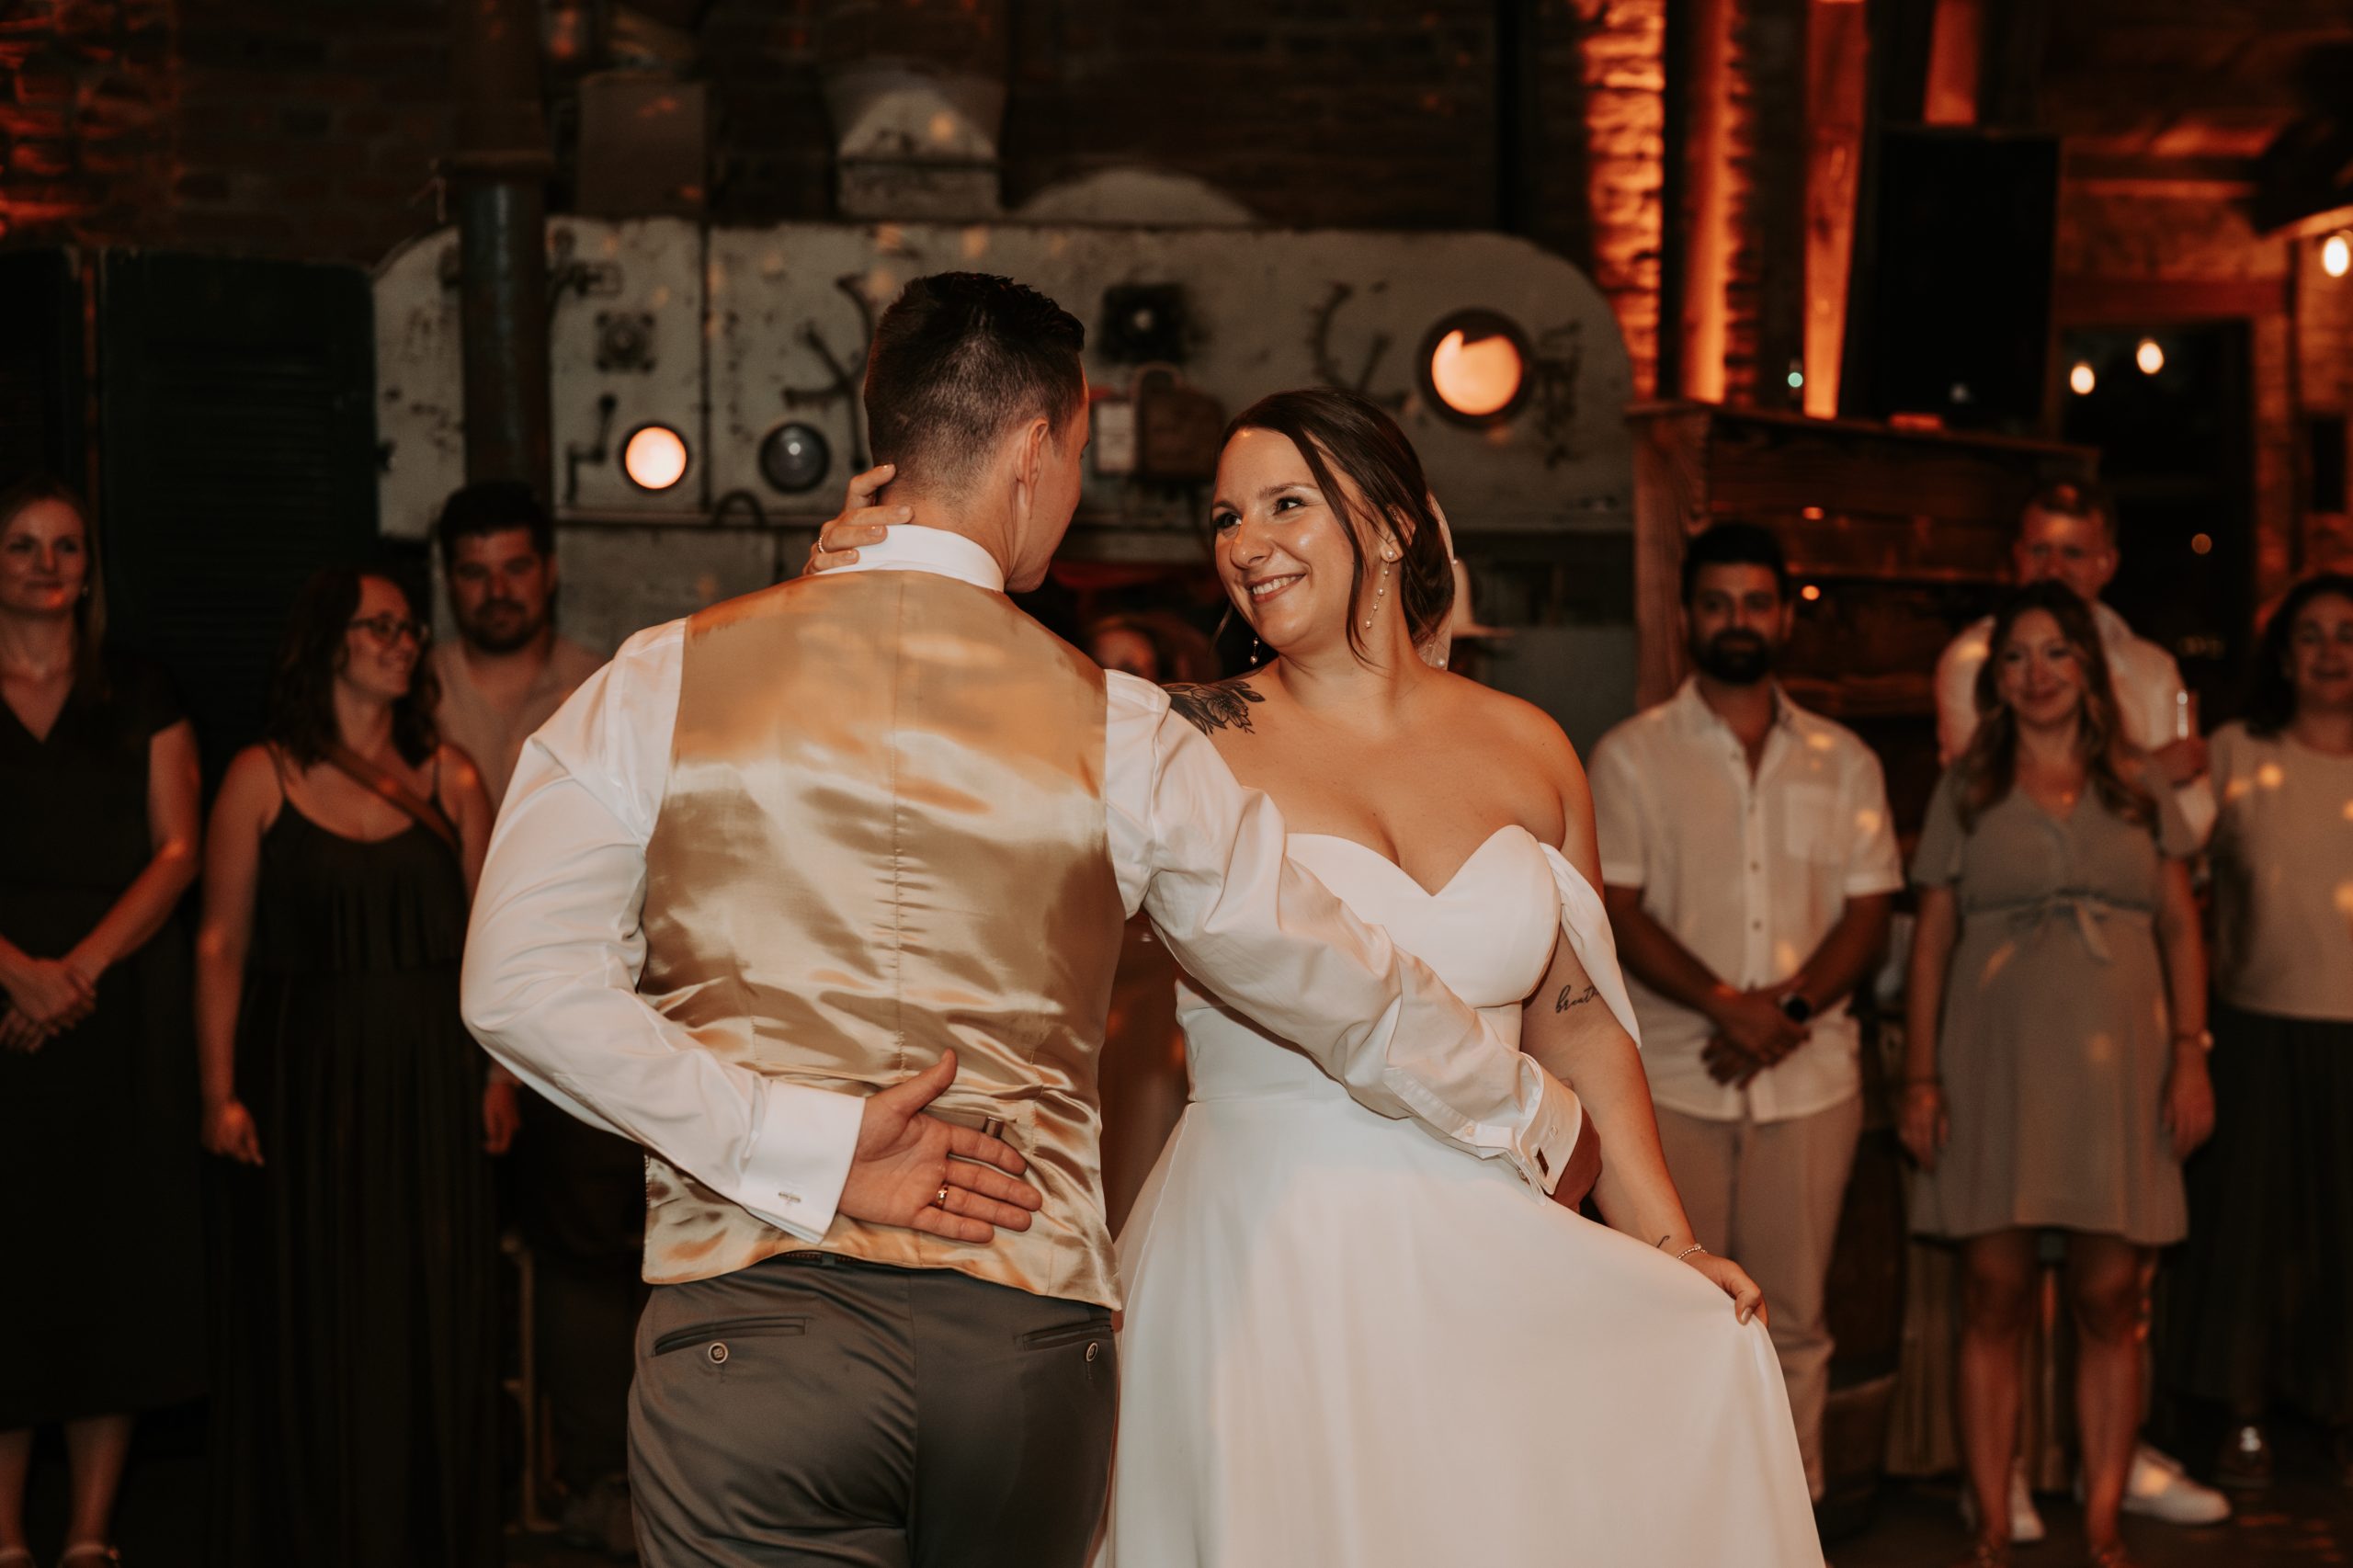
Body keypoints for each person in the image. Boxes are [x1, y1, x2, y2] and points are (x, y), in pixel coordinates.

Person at [462, 273, 1597, 1568]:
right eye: (1078, 456)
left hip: (754, 1337)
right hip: (1018, 1349)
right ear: (1034, 447)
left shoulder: (662, 680)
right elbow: (1331, 973)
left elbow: (516, 983)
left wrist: (793, 1141)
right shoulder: (1122, 729)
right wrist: (1530, 1114)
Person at [1087, 390, 1817, 1564]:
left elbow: (1577, 1022)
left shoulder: (1529, 744)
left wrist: (1668, 1245)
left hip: (1494, 1240)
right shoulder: (1183, 739)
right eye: (1225, 517)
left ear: (1388, 525)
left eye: (1285, 504)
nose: (1246, 544)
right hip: (1272, 1246)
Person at [1931, 481, 2226, 1536]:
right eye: (2016, 657)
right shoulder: (1967, 781)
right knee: (1993, 1289)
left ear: (2089, 665)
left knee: (2111, 1295)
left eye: (2057, 653)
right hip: (1998, 1054)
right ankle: (1990, 1513)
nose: (2036, 671)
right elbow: (1932, 929)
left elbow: (2182, 920)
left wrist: (2190, 1051)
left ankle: (2102, 1524)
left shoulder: (2138, 778)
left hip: (2122, 1059)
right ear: (1993, 676)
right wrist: (1919, 1074)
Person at [1586, 520, 1901, 1506]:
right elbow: (1618, 907)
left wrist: (1783, 1012)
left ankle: (1792, 1522)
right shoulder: (1631, 755)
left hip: (1810, 1079)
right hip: (1674, 1080)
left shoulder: (1844, 760)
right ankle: (1684, 1522)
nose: (1737, 620)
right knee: (1677, 1312)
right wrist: (1726, 1007)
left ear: (1783, 618)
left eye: (1755, 602)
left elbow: (1869, 909)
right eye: (1716, 602)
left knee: (1796, 1318)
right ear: (1686, 616)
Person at [197, 566, 504, 1568]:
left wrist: (500, 1078)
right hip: (305, 1076)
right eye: (380, 626)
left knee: (428, 1300)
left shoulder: (453, 775)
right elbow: (221, 942)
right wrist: (218, 1091)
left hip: (430, 1074)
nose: (403, 642)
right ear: (328, 640)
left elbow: (497, 946)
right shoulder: (261, 775)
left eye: (410, 627)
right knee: (311, 1301)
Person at [428, 479, 637, 1554]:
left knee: (587, 1241)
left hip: (573, 1012)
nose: (496, 589)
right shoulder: (411, 688)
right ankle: (451, 1469)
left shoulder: (604, 684)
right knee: (432, 1249)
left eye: (515, 566)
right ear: (448, 581)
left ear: (549, 571)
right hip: (429, 1021)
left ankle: (599, 1475)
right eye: (474, 571)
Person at [0, 480, 204, 1568]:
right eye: (23, 544)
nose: (46, 563)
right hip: (2, 1000)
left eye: (66, 545)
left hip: (118, 1000)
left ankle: (88, 1531)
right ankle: (1, 1535)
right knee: (9, 1258)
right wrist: (15, 974)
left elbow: (179, 849)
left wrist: (70, 974)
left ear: (89, 567)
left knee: (107, 1262)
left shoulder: (140, 687)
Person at [2162, 572, 2353, 1488]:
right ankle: (2241, 1414)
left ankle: (2342, 1414)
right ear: (2283, 656)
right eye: (2310, 634)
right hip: (2256, 1028)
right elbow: (2169, 865)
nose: (2330, 651)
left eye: (2347, 633)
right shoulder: (2236, 751)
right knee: (2250, 1236)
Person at [1936, 481, 2212, 839]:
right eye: (2039, 550)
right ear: (2018, 557)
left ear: (2107, 565)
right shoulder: (1973, 661)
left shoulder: (2152, 667)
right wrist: (2147, 773)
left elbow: (2192, 810)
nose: (2053, 570)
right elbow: (1990, 799)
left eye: (2073, 553)